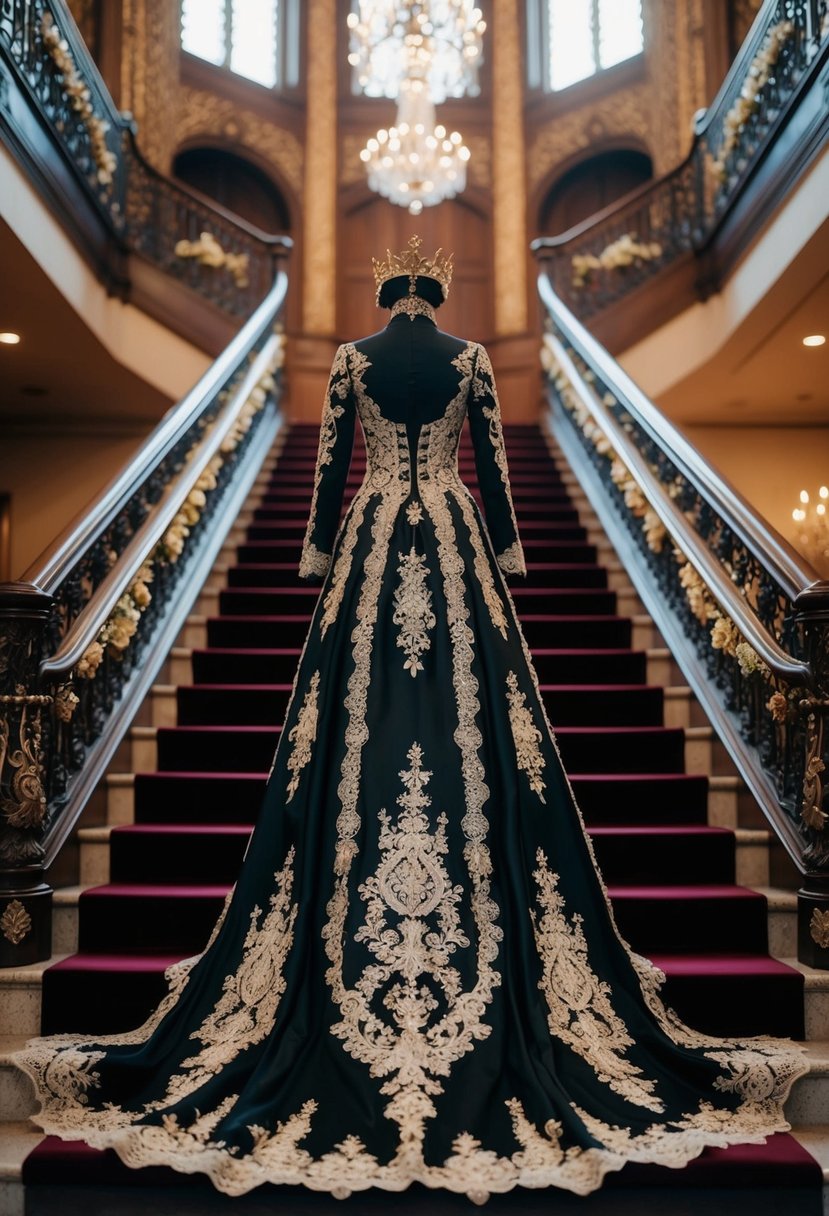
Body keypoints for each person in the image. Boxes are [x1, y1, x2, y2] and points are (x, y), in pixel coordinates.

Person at [15, 237, 807, 1204]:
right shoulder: (470, 359)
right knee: (479, 715)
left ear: (388, 297)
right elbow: (495, 473)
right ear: (435, 297)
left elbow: (330, 472)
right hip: (454, 535)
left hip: (375, 532)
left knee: (349, 717)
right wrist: (504, 553)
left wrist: (318, 556)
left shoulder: (352, 359)